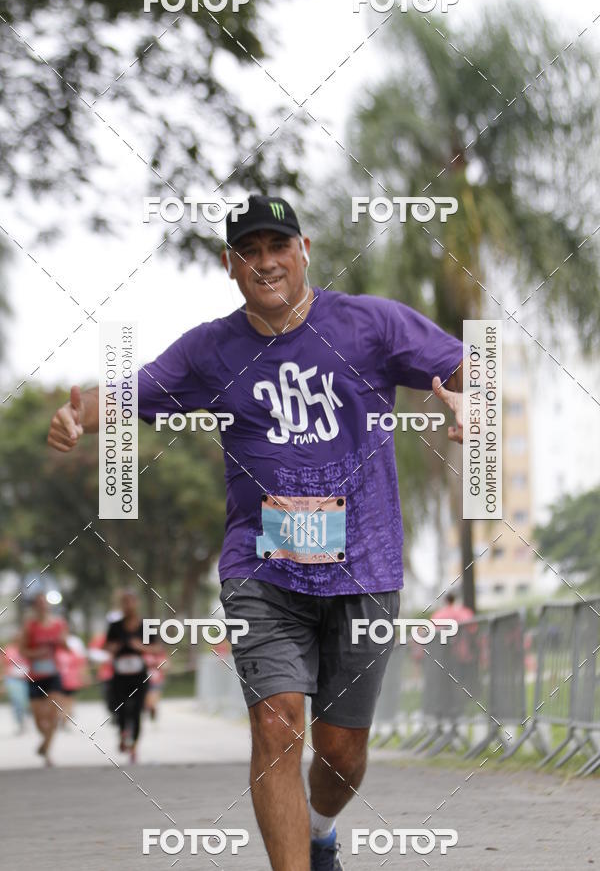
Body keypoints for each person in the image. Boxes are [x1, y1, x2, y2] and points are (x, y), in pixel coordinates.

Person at [47, 194, 464, 870]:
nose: (266, 262)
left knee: (340, 751)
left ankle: (322, 828)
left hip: (365, 567)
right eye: (250, 251)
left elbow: (469, 367)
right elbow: (129, 392)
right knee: (276, 727)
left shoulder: (370, 324)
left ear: (305, 252)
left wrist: (468, 395)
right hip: (262, 569)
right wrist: (78, 417)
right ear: (230, 264)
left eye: (278, 246)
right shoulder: (212, 349)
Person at [104, 589, 160, 762]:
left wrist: (140, 647)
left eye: (131, 601)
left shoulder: (145, 626)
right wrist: (113, 648)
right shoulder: (115, 626)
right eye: (124, 602)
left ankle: (134, 745)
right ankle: (122, 734)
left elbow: (157, 648)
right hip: (120, 674)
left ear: (137, 603)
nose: (128, 605)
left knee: (136, 710)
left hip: (139, 674)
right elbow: (106, 647)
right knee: (119, 708)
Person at [19, 592, 70, 765]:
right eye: (39, 603)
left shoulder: (59, 624)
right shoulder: (30, 626)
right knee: (39, 719)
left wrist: (62, 642)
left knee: (53, 715)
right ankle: (45, 740)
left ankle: (47, 748)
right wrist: (36, 654)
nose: (42, 606)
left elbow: (67, 647)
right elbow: (22, 650)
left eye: (45, 603)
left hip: (53, 675)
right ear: (34, 606)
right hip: (35, 676)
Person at [55, 634, 90, 726]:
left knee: (69, 699)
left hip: (71, 680)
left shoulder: (73, 654)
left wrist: (84, 677)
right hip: (59, 679)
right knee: (60, 699)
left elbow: (81, 665)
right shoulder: (56, 652)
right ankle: (63, 716)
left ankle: (64, 718)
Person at [2, 641, 29, 733]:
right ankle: (20, 723)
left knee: (27, 702)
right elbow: (3, 665)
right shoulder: (9, 650)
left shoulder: (28, 648)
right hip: (12, 679)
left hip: (27, 679)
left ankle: (26, 720)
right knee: (17, 701)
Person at [144, 646, 169, 721]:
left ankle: (152, 709)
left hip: (157, 680)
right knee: (147, 700)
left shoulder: (161, 655)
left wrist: (157, 664)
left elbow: (166, 666)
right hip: (145, 681)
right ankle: (149, 708)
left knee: (153, 699)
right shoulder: (144, 654)